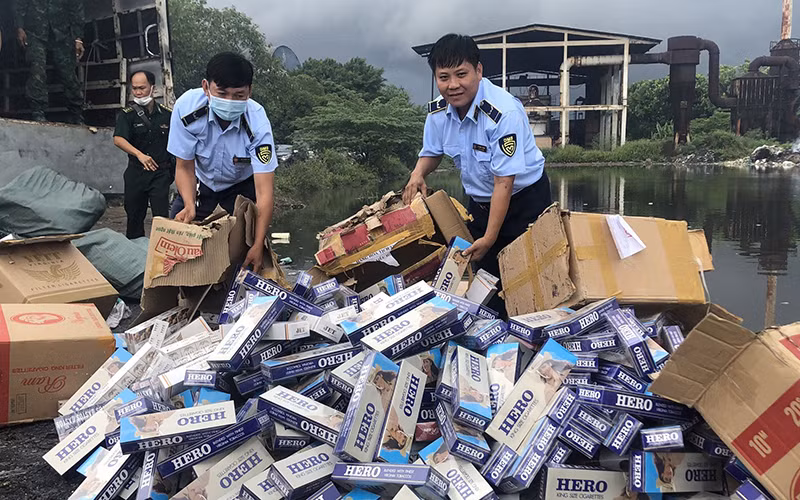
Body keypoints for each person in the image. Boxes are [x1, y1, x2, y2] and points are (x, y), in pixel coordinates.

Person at [403, 34, 552, 316]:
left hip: (525, 201)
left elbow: (504, 182)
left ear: (479, 71)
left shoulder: (503, 112)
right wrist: (418, 173)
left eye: (461, 74)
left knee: (528, 277)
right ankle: (495, 339)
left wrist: (490, 236)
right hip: (481, 202)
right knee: (486, 280)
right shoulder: (437, 112)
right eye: (444, 77)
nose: (453, 85)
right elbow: (432, 151)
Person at [168, 52, 278, 270]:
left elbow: (264, 192)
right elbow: (184, 167)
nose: (230, 101)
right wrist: (189, 204)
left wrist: (257, 244)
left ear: (250, 92)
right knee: (176, 247)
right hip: (200, 185)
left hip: (240, 189)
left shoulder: (257, 124)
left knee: (242, 257)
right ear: (206, 87)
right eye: (222, 93)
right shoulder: (186, 109)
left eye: (239, 95)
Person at [113, 70, 174, 239]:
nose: (138, 92)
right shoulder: (127, 115)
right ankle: (134, 255)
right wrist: (139, 154)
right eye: (135, 89)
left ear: (152, 88)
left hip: (160, 174)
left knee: (161, 221)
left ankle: (161, 257)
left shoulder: (167, 115)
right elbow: (118, 139)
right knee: (134, 218)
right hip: (136, 173)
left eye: (142, 88)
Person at [14, 0, 85, 123]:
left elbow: (76, 8)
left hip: (62, 34)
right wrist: (19, 28)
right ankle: (38, 112)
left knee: (68, 75)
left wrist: (78, 39)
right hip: (35, 32)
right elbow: (20, 4)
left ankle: (77, 113)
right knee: (37, 72)